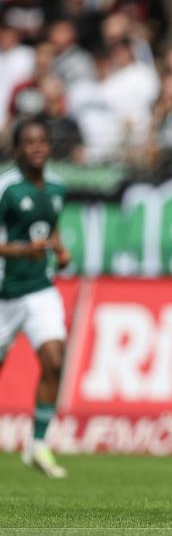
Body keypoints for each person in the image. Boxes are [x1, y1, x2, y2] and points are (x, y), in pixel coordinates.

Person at [0, 118, 70, 478]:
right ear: (17, 150)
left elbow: (50, 226)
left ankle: (38, 445)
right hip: (4, 294)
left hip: (41, 289)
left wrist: (58, 249)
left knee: (55, 361)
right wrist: (24, 250)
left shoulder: (57, 187)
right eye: (30, 142)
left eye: (43, 141)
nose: (38, 147)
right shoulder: (6, 188)